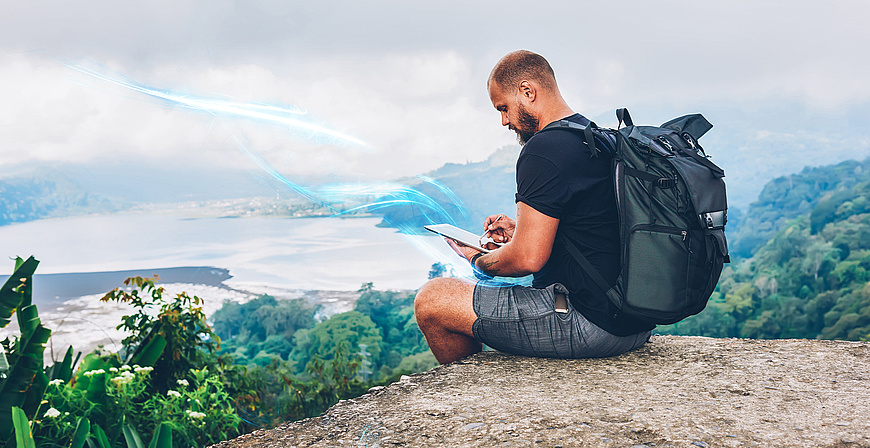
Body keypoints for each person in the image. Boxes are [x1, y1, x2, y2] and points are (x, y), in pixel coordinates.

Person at [414, 50, 653, 365]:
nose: (504, 121)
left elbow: (527, 260)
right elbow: (593, 229)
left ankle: (466, 393)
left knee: (433, 299)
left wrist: (478, 258)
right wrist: (522, 232)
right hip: (633, 323)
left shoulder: (543, 150)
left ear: (527, 91)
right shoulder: (596, 138)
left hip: (587, 324)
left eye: (503, 108)